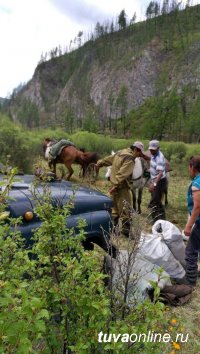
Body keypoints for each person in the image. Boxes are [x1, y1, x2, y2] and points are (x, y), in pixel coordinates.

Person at [96, 142, 145, 237]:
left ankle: (113, 229)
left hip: (114, 184)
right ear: (135, 149)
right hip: (121, 187)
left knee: (114, 208)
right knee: (126, 208)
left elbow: (109, 159)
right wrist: (116, 185)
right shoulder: (130, 158)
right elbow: (123, 173)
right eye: (140, 153)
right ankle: (126, 231)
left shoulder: (121, 152)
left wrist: (100, 163)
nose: (140, 155)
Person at [184, 156, 200, 286]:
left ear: (192, 167)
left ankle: (190, 280)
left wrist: (189, 226)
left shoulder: (197, 183)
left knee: (191, 251)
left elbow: (198, 207)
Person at [148, 140, 167, 223]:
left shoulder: (159, 157)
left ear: (158, 148)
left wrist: (154, 184)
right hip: (155, 180)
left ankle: (160, 221)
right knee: (155, 201)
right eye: (150, 149)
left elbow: (160, 173)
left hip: (160, 181)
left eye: (153, 149)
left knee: (156, 202)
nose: (151, 151)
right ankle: (156, 220)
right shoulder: (153, 155)